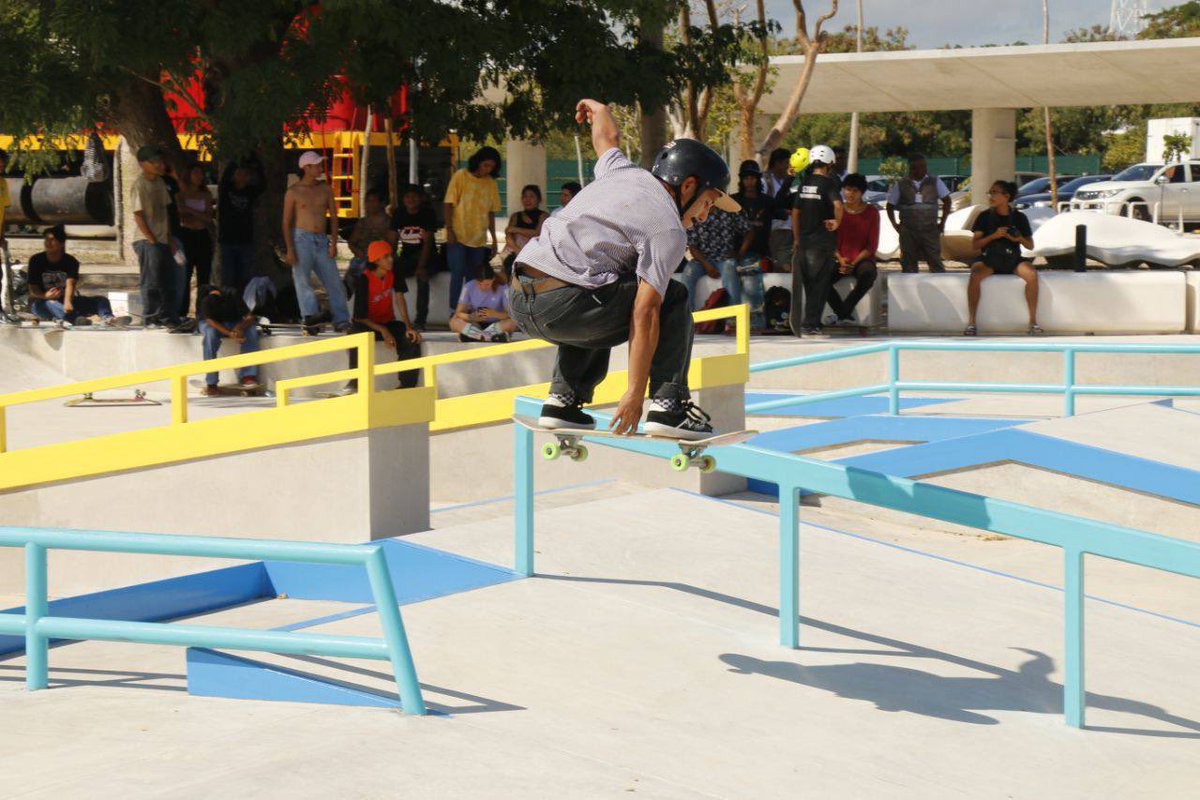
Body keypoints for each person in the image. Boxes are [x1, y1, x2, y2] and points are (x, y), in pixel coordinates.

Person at [508, 98, 740, 439]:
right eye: (707, 203)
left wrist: (600, 110)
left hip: (519, 299)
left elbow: (606, 139)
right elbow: (646, 312)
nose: (703, 216)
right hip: (567, 307)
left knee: (600, 278)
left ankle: (562, 401)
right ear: (689, 185)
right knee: (672, 295)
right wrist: (634, 393)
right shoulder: (667, 228)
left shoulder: (621, 171)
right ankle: (669, 406)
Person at [283, 150, 350, 335]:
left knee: (334, 281)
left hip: (321, 239)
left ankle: (341, 320)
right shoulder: (293, 191)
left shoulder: (325, 189)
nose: (320, 168)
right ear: (306, 168)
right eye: (317, 165)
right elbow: (286, 222)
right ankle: (311, 319)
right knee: (303, 282)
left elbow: (334, 217)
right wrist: (290, 249)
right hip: (301, 239)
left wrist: (333, 242)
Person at [966, 180, 1041, 336]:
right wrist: (994, 236)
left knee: (1032, 274)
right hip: (989, 259)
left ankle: (1033, 322)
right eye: (990, 192)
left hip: (1013, 259)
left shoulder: (1019, 217)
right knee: (975, 275)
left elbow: (1030, 246)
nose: (990, 196)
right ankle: (972, 322)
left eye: (994, 192)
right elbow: (974, 245)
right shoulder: (984, 216)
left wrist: (1019, 238)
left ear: (1006, 196)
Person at [347, 240, 422, 390]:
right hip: (367, 324)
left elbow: (400, 299)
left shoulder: (394, 272)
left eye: (391, 255)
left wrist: (408, 327)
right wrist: (383, 330)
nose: (391, 259)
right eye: (386, 256)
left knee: (411, 339)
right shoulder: (364, 279)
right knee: (355, 334)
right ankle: (355, 384)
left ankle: (406, 386)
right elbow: (359, 316)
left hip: (386, 322)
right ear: (376, 260)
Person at [27, 226, 131, 327]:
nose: (48, 243)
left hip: (66, 301)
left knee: (101, 300)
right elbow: (33, 289)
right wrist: (46, 296)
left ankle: (109, 318)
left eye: (52, 240)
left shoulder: (70, 261)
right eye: (46, 240)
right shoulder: (36, 260)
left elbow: (71, 283)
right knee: (51, 303)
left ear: (62, 243)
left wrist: (68, 301)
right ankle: (75, 319)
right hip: (42, 303)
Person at [790, 145, 842, 336]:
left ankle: (811, 322)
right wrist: (837, 222)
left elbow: (795, 212)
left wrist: (796, 238)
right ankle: (811, 324)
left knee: (809, 285)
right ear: (830, 163)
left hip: (804, 243)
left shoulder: (804, 183)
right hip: (822, 243)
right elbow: (838, 205)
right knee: (820, 285)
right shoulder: (828, 184)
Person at [444, 146, 501, 314]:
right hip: (458, 236)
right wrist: (449, 229)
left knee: (474, 277)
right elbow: (448, 203)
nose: (488, 169)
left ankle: (469, 312)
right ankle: (453, 311)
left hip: (478, 239)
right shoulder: (461, 175)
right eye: (485, 165)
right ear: (478, 161)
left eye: (491, 167)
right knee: (457, 273)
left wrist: (494, 240)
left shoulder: (491, 183)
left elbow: (491, 212)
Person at [130, 144, 180, 328]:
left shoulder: (160, 182)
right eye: (154, 162)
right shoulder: (139, 185)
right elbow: (138, 215)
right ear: (142, 164)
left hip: (163, 239)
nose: (159, 165)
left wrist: (169, 238)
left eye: (160, 161)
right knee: (152, 280)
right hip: (146, 240)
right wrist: (152, 240)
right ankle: (150, 318)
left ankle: (168, 318)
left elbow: (165, 213)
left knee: (168, 279)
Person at [825, 173, 879, 327]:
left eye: (855, 190)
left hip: (861, 259)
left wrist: (853, 263)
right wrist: (840, 259)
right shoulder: (836, 210)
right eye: (848, 189)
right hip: (838, 258)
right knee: (820, 278)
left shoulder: (872, 212)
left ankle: (841, 312)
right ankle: (843, 313)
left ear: (862, 192)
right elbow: (829, 240)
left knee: (868, 275)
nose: (850, 194)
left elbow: (872, 246)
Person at [886, 153, 951, 274]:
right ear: (911, 168)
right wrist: (895, 225)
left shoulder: (934, 181)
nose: (922, 169)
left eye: (924, 166)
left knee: (936, 262)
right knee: (908, 264)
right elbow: (890, 206)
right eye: (918, 167)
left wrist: (942, 222)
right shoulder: (901, 184)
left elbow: (947, 201)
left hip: (930, 230)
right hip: (908, 231)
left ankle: (940, 284)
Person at [679, 205, 747, 310]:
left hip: (725, 257)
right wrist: (707, 265)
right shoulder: (694, 216)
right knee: (688, 272)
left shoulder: (730, 211)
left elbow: (749, 231)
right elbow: (692, 247)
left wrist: (740, 253)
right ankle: (687, 315)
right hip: (701, 259)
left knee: (730, 272)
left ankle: (733, 316)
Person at [730, 159, 771, 330]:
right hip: (734, 252)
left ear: (758, 179)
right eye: (746, 178)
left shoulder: (767, 201)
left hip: (758, 252)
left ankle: (756, 322)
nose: (749, 181)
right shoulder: (733, 201)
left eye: (753, 178)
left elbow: (786, 210)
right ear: (741, 179)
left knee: (751, 281)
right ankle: (732, 321)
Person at [390, 183, 437, 330]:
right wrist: (390, 260)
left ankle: (420, 321)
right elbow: (392, 240)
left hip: (428, 257)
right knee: (390, 274)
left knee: (422, 278)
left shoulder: (427, 214)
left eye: (414, 197)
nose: (411, 200)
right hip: (406, 257)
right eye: (407, 197)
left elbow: (427, 243)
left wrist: (421, 266)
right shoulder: (399, 213)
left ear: (421, 198)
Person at [199, 284, 260, 395]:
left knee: (251, 330)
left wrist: (240, 327)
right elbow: (210, 322)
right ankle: (211, 382)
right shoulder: (206, 300)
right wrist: (230, 334)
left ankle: (248, 376)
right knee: (210, 335)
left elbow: (250, 317)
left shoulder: (233, 294)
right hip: (212, 324)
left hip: (233, 322)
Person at [217, 159, 264, 291]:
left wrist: (256, 163)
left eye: (245, 174)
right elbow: (225, 177)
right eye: (239, 174)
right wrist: (237, 158)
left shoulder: (251, 192)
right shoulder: (226, 190)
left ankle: (244, 300)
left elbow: (262, 184)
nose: (242, 177)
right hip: (227, 239)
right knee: (228, 277)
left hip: (245, 239)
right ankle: (228, 300)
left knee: (246, 277)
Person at [176, 163, 215, 320]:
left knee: (204, 275)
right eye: (196, 173)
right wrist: (198, 213)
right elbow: (180, 212)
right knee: (185, 274)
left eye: (201, 174)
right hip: (186, 234)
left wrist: (190, 211)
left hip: (202, 234)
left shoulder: (205, 194)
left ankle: (202, 311)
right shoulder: (181, 194)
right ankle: (181, 312)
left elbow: (208, 217)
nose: (199, 177)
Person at [451, 264, 518, 342]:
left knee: (512, 322)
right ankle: (489, 337)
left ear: (493, 279)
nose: (483, 287)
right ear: (476, 280)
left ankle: (475, 336)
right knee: (454, 321)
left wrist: (495, 314)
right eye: (480, 284)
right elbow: (458, 313)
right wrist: (471, 317)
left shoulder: (503, 287)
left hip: (497, 323)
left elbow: (511, 314)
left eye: (487, 284)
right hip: (475, 324)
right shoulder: (468, 287)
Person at [346, 189, 393, 291]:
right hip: (363, 256)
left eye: (374, 201)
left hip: (381, 259)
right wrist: (359, 253)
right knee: (350, 279)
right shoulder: (362, 222)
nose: (370, 204)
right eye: (368, 201)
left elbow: (392, 245)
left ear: (382, 203)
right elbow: (352, 242)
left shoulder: (389, 222)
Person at [502, 184, 548, 274]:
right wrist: (518, 251)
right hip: (516, 252)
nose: (527, 200)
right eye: (525, 196)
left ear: (539, 199)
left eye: (531, 196)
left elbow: (537, 233)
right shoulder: (516, 216)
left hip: (535, 254)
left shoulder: (544, 216)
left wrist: (516, 229)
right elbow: (508, 234)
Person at [763, 148, 796, 272]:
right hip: (774, 232)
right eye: (786, 163)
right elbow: (765, 206)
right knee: (778, 266)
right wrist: (783, 212)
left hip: (789, 230)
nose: (788, 166)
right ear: (777, 163)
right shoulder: (765, 181)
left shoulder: (788, 180)